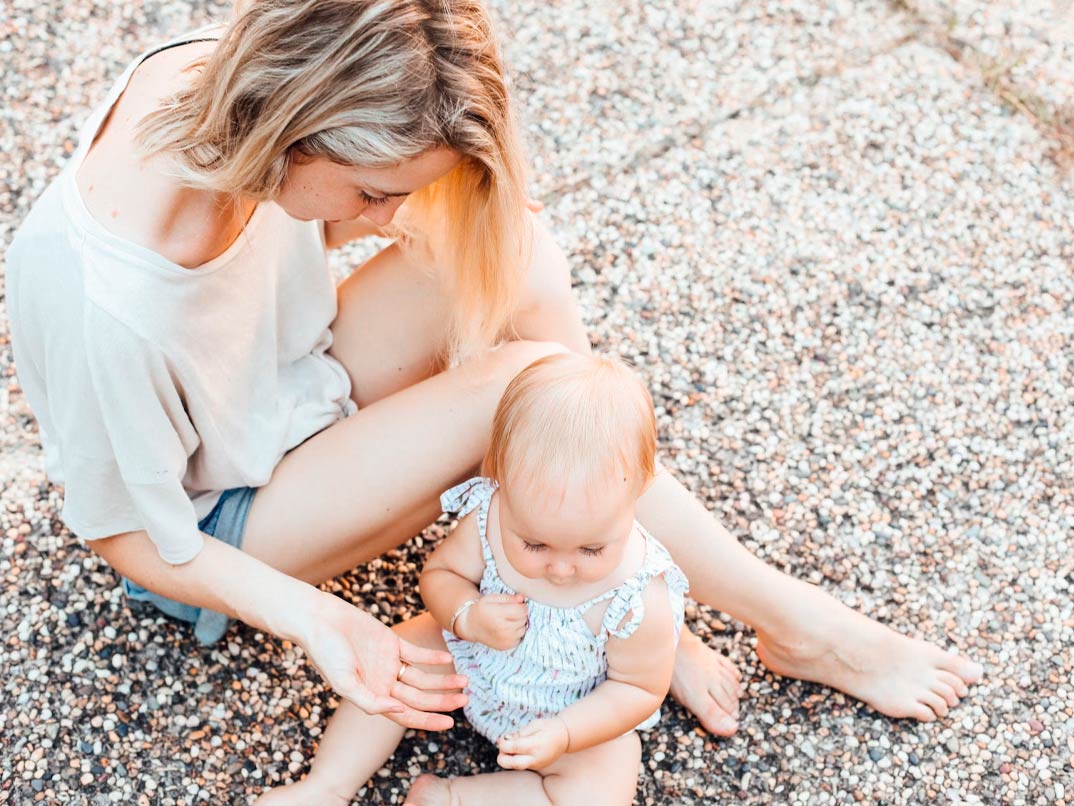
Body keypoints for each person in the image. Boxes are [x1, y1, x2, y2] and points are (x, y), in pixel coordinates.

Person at [6, 0, 981, 760]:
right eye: (375, 191)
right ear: (294, 134)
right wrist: (325, 620)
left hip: (286, 387)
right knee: (526, 386)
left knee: (512, 247)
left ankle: (615, 577)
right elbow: (124, 533)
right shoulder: (108, 299)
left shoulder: (224, 78)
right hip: (219, 524)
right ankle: (791, 621)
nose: (387, 220)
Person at [259, 352, 689, 805]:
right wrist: (465, 614)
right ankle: (326, 785)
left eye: (591, 549)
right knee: (396, 656)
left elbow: (637, 689)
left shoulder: (638, 596)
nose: (561, 569)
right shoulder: (491, 516)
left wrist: (565, 732)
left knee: (603, 785)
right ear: (500, 480)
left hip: (571, 714)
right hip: (469, 662)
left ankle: (452, 799)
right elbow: (442, 574)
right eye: (535, 545)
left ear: (639, 490)